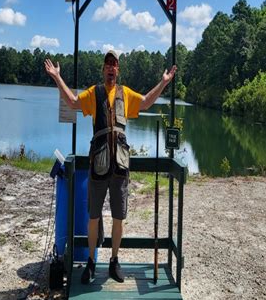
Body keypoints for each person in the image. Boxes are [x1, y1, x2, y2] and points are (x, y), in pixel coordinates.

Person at [44, 49, 177, 284]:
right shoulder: (94, 93)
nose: (111, 68)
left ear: (118, 69)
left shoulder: (125, 94)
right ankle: (92, 264)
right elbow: (73, 102)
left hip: (121, 166)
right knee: (93, 217)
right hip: (99, 165)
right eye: (107, 64)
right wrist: (57, 77)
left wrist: (163, 83)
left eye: (114, 64)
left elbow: (146, 101)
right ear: (103, 69)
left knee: (119, 218)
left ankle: (114, 261)